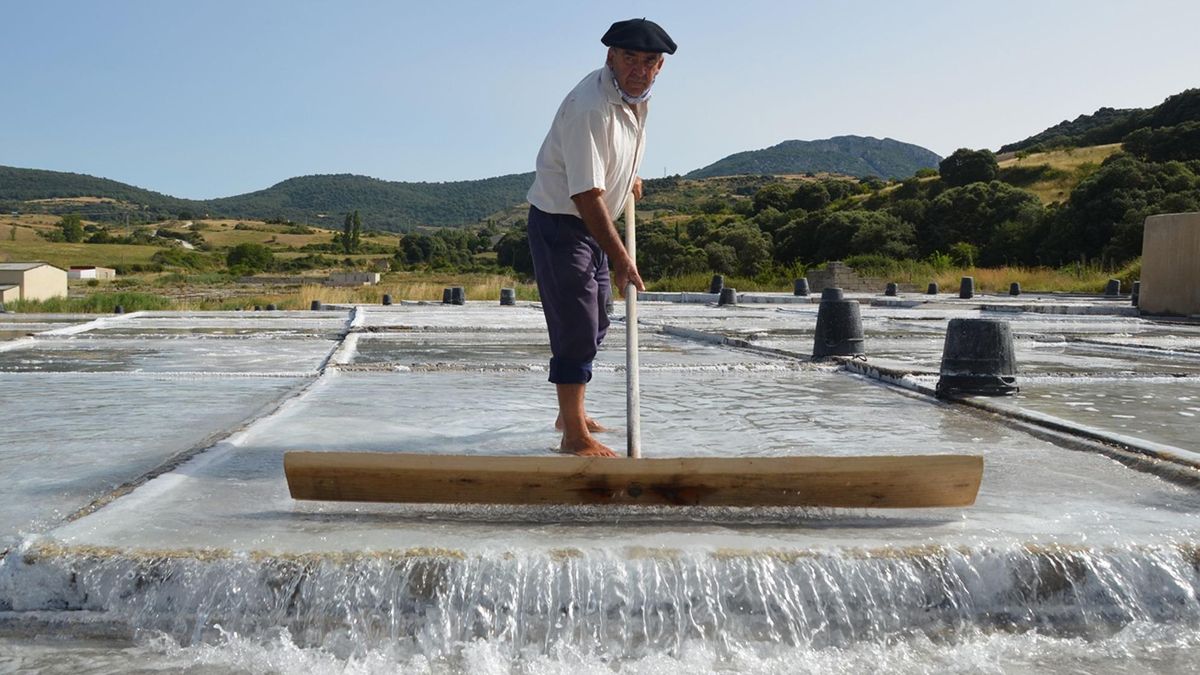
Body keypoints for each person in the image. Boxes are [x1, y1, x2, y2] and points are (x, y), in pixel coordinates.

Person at [526, 18, 676, 458]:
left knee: (599, 319)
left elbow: (607, 161)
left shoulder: (634, 100)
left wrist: (627, 177)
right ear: (611, 57)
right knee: (575, 326)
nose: (640, 69)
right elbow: (585, 193)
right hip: (563, 224)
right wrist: (623, 259)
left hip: (592, 223)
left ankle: (569, 413)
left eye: (649, 61)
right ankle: (573, 435)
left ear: (659, 67)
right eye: (630, 58)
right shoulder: (592, 106)